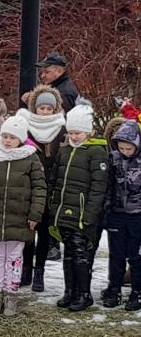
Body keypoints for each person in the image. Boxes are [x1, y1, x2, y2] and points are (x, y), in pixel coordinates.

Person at [0, 116, 46, 316]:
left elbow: (40, 189)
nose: (7, 140)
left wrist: (35, 214)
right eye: (4, 136)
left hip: (19, 219)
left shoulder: (30, 158)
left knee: (14, 258)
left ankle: (11, 295)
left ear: (21, 139)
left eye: (12, 137)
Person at [49, 100, 108, 312]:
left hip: (83, 214)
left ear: (89, 132)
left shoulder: (96, 152)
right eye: (71, 132)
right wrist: (54, 206)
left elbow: (99, 186)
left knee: (81, 253)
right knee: (68, 253)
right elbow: (56, 181)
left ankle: (84, 293)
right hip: (64, 211)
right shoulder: (64, 151)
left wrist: (90, 213)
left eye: (79, 133)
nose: (74, 136)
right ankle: (69, 290)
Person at [15, 85, 67, 292]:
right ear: (34, 107)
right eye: (41, 108)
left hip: (50, 186)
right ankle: (26, 269)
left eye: (49, 109)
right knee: (28, 231)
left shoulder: (61, 128)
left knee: (44, 232)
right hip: (28, 186)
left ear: (55, 110)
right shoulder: (25, 125)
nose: (45, 112)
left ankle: (40, 272)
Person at [101, 120, 141, 311]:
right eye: (121, 147)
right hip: (117, 214)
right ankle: (114, 288)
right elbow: (108, 186)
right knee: (116, 255)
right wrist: (107, 210)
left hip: (137, 216)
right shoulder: (113, 158)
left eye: (129, 148)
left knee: (135, 256)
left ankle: (136, 291)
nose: (125, 151)